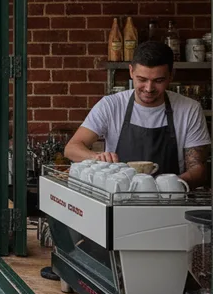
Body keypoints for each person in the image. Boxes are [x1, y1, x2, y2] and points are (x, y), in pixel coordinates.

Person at [64, 41, 210, 187]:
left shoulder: (189, 109)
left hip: (170, 200)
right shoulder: (111, 105)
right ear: (131, 72)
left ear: (171, 76)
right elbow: (71, 148)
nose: (149, 88)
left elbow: (198, 170)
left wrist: (168, 186)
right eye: (142, 79)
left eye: (158, 80)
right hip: (118, 199)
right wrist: (97, 158)